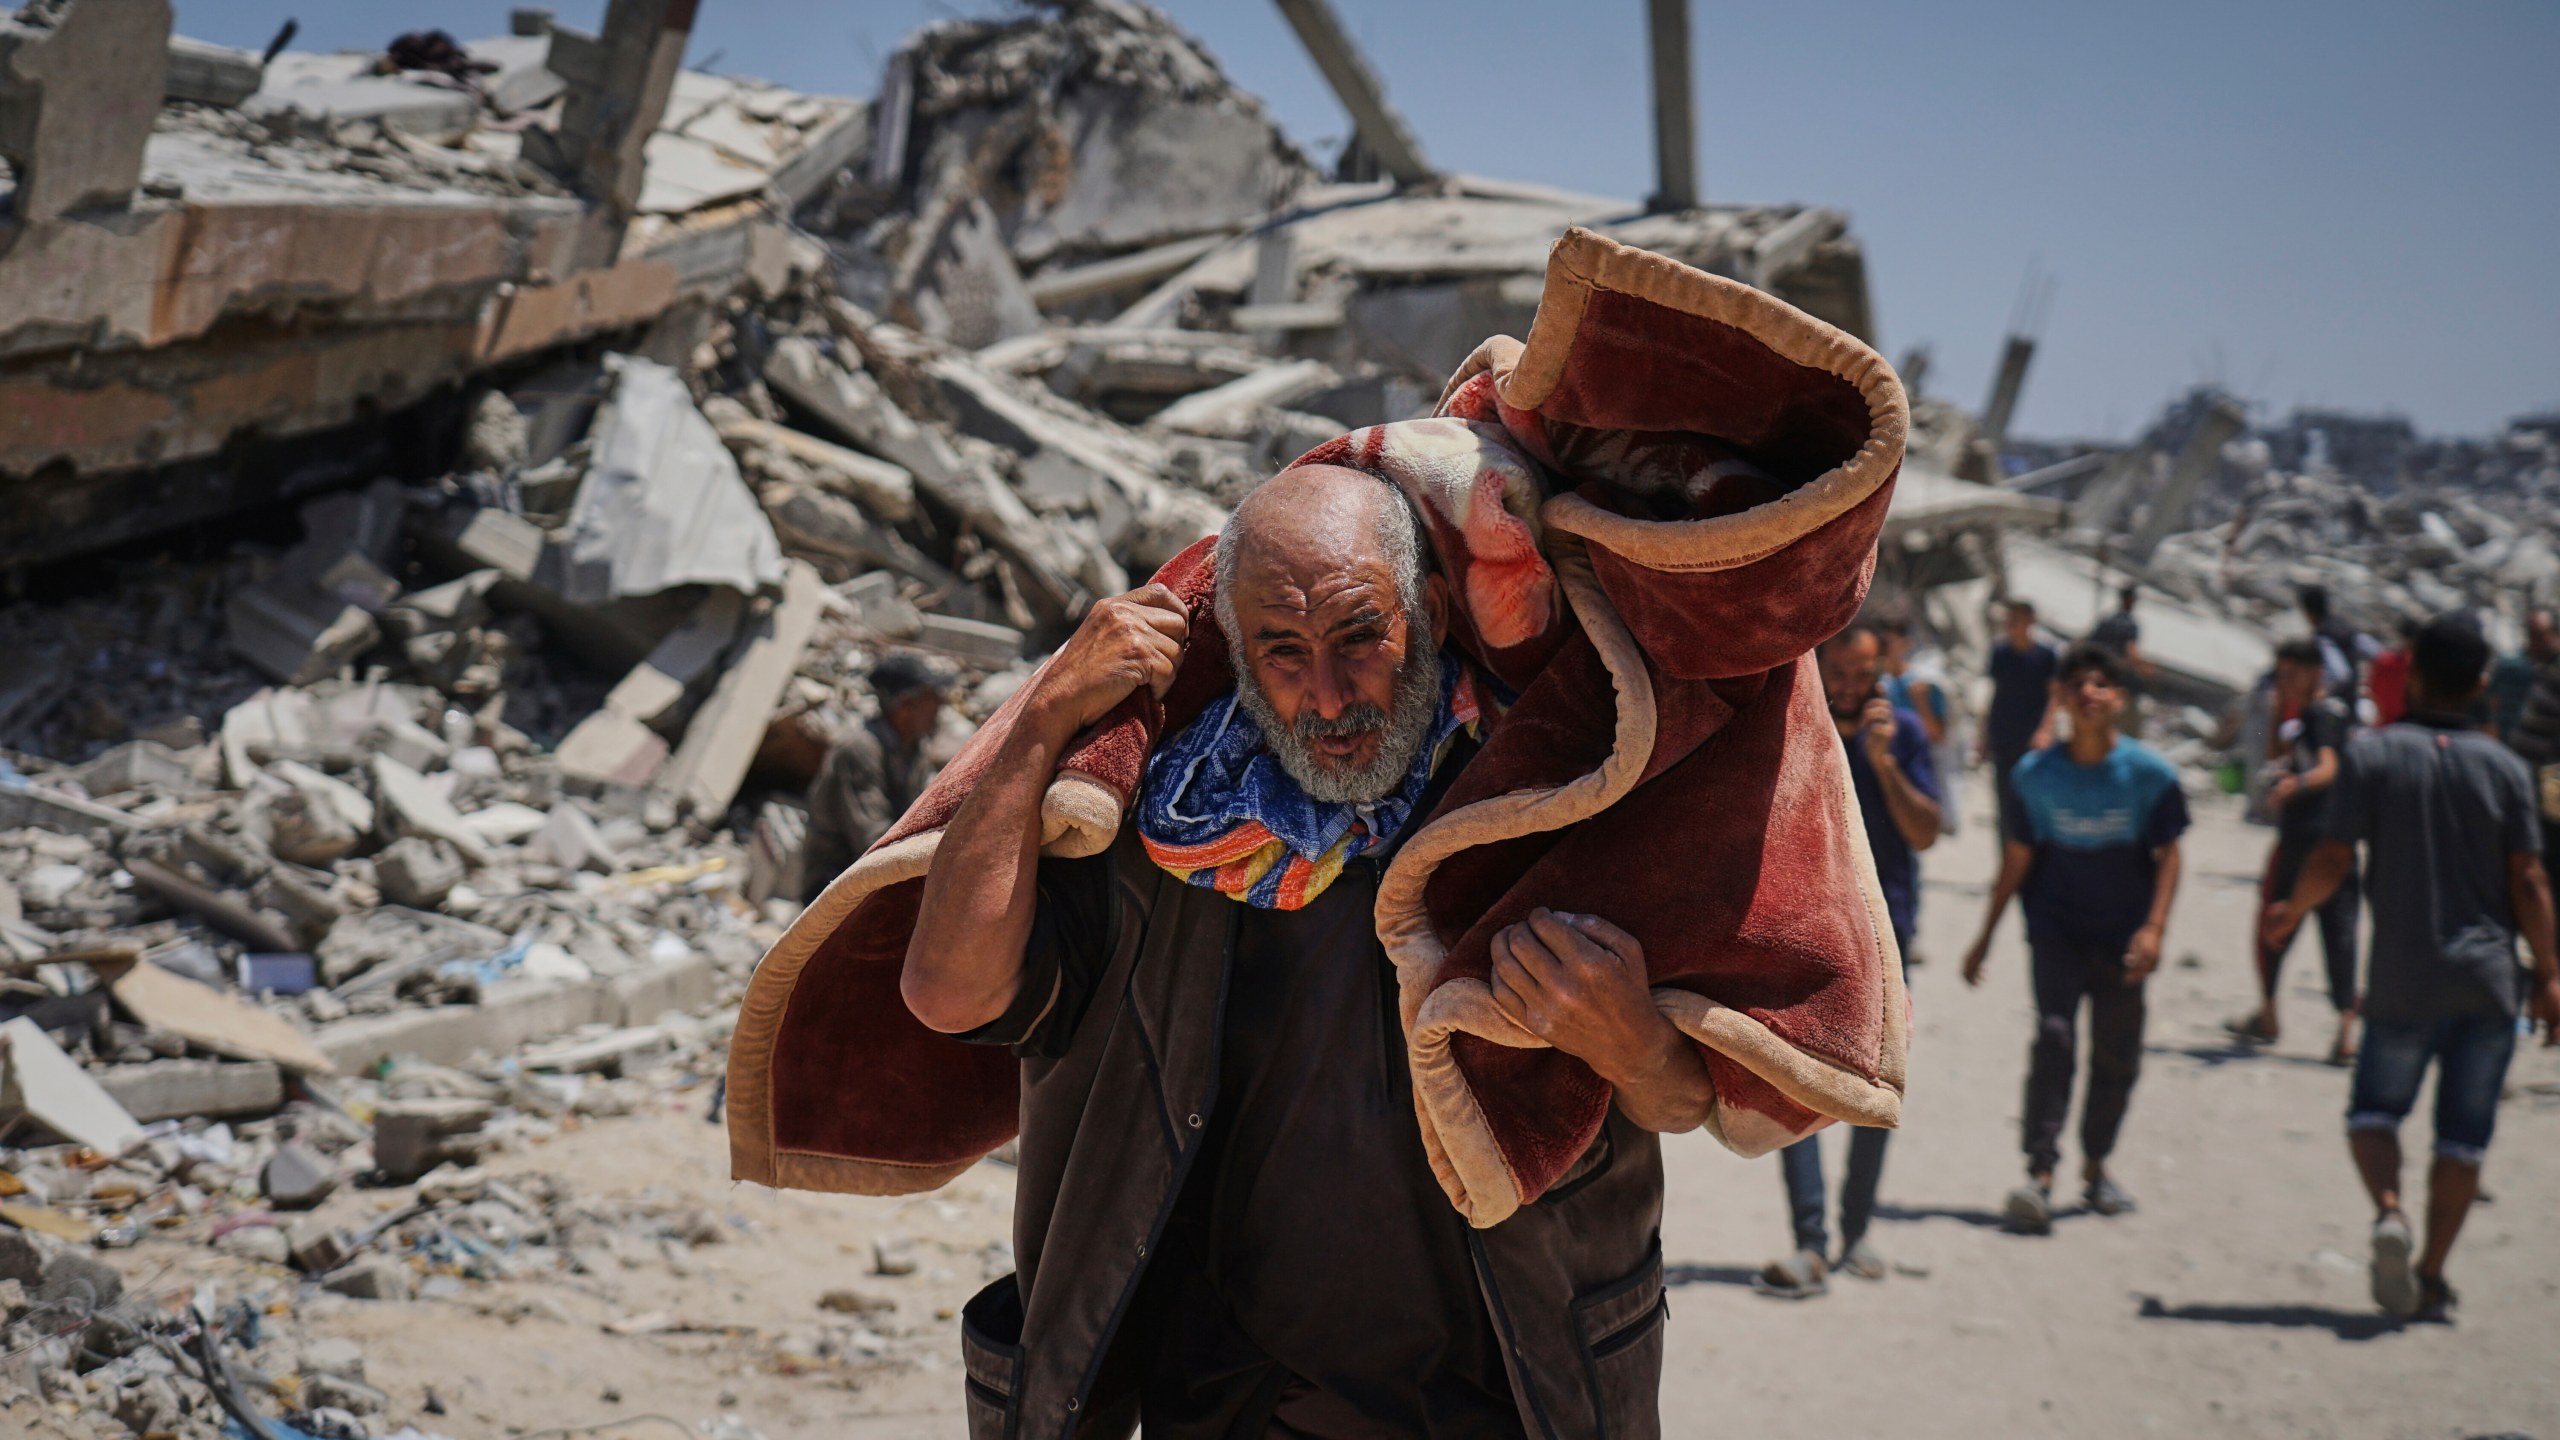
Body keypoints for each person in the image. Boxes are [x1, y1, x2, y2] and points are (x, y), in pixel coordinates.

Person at [899, 467, 1715, 1435]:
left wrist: (1632, 1044)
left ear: (1436, 612)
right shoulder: (1169, 836)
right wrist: (1041, 720)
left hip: (1498, 1388)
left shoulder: (1549, 806)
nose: (1328, 698)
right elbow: (950, 992)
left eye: (1360, 638)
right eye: (1281, 651)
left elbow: (1684, 1099)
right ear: (1235, 652)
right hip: (1226, 1396)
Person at [2263, 613, 2560, 1321]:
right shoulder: (2507, 769)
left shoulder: (2374, 754)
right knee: (2463, 1138)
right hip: (2490, 983)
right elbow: (2528, 882)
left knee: (2373, 1114)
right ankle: (2430, 1271)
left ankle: (2390, 1212)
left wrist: (2294, 908)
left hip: (2402, 977)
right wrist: (2549, 973)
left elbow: (2334, 858)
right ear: (2484, 686)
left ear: (2413, 675)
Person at [1961, 644, 2188, 1234]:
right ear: (2060, 698)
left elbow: (2168, 855)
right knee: (2055, 1038)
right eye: (2077, 684)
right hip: (2056, 930)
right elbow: (2016, 859)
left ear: (2120, 698)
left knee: (2116, 1054)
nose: (2089, 692)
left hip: (2122, 938)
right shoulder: (2033, 777)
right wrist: (1984, 936)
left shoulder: (2151, 775)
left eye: (2102, 683)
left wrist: (2155, 928)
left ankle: (2095, 1166)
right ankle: (2039, 1173)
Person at [1757, 623, 1941, 1299]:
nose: (1853, 687)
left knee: (1873, 1090)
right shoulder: (1793, 727)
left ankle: (1855, 1229)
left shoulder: (1906, 735)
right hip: (1804, 932)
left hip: (1885, 939)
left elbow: (1925, 832)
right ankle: (1810, 1242)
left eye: (1866, 676)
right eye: (1842, 673)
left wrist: (1886, 762)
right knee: (1796, 1085)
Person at [2231, 640, 2360, 1061]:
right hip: (2337, 837)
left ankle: (2269, 1012)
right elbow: (2279, 756)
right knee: (2339, 931)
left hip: (2307, 838)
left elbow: (2328, 766)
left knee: (2275, 917)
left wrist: (2296, 786)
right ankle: (2345, 1029)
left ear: (2315, 672)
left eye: (2292, 674)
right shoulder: (2319, 715)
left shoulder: (2321, 715)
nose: (2286, 682)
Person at [802, 653, 946, 896]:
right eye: (931, 698)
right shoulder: (859, 751)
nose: (939, 706)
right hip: (837, 881)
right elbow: (872, 840)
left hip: (885, 868)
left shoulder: (915, 748)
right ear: (905, 706)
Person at [1880, 613, 1964, 837]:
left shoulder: (1925, 685)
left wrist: (1921, 702)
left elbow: (1937, 736)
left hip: (1915, 772)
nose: (1884, 649)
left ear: (1906, 644)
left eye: (1888, 643)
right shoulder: (1871, 683)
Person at [1984, 599, 2059, 843]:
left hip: (2031, 740)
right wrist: (1983, 736)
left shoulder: (2045, 656)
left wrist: (2046, 731)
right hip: (2003, 735)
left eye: (2017, 620)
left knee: (2031, 803)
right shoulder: (2000, 652)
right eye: (2009, 620)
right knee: (2004, 805)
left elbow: (2054, 697)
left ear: (2030, 623)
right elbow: (1993, 693)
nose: (2012, 625)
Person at [2088, 584, 2154, 737]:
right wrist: (2144, 668)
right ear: (2131, 600)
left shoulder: (2107, 620)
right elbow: (2131, 651)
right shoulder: (2130, 624)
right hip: (2121, 683)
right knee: (2127, 730)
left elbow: (2090, 644)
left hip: (2101, 680)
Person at [2485, 608, 2555, 742]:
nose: (2540, 640)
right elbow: (2491, 701)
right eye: (2533, 634)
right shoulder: (2510, 665)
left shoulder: (2554, 672)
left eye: (2542, 634)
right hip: (2509, 740)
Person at [2301, 585, 2363, 705]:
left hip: (2336, 702)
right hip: (2352, 697)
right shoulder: (2344, 625)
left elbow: (2341, 674)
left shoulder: (2323, 635)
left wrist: (2324, 691)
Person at [2368, 617, 2417, 728]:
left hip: (2383, 722)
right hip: (2407, 724)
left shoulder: (2383, 660)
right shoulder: (2416, 666)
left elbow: (2373, 688)